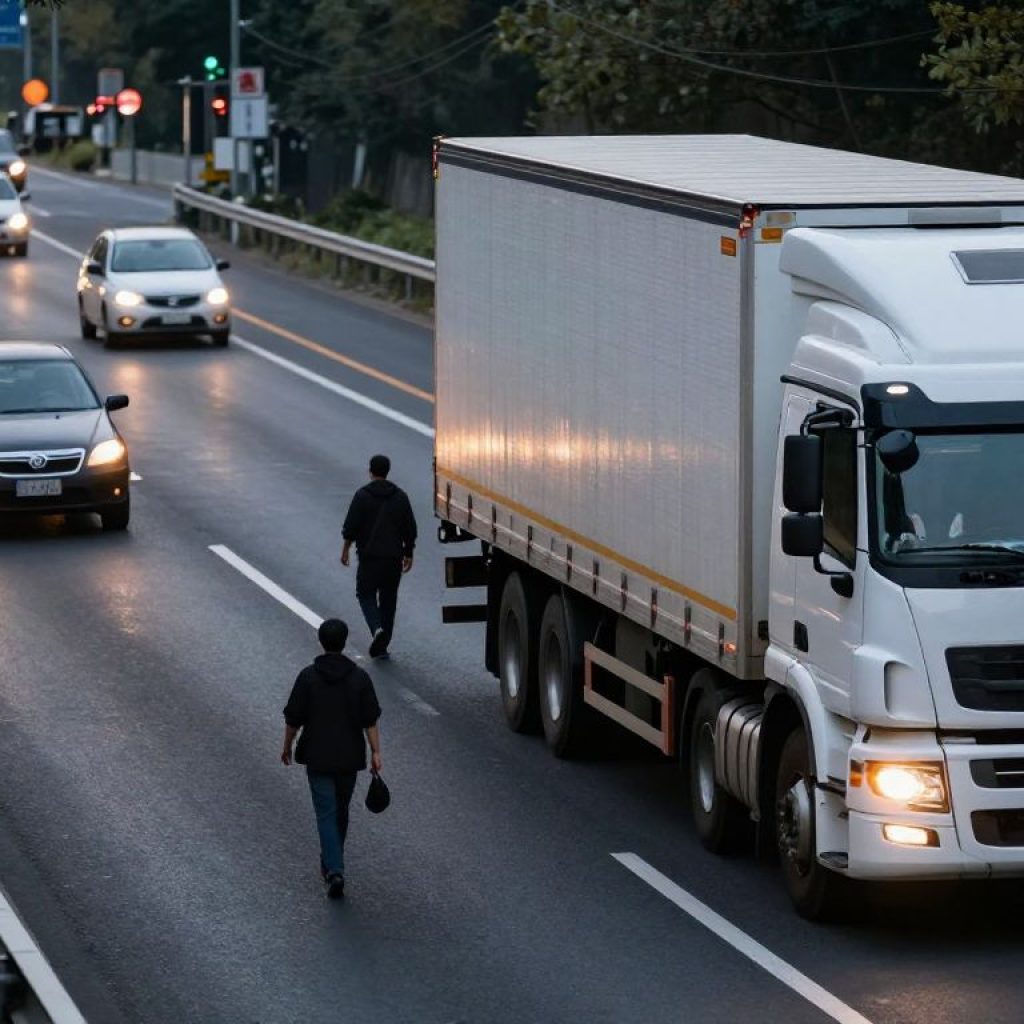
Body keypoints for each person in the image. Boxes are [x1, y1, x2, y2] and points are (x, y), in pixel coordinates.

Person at [281, 618, 382, 900]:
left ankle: (334, 869)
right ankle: (332, 862)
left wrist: (287, 745)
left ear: (321, 642)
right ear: (345, 640)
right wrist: (376, 752)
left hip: (318, 757)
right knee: (341, 810)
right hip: (350, 758)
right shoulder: (359, 678)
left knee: (325, 813)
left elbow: (293, 718)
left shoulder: (308, 677)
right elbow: (370, 719)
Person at [341, 454, 417, 658]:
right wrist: (408, 552)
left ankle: (376, 629)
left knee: (365, 594)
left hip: (369, 557)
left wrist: (346, 548)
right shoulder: (400, 496)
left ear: (370, 471)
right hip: (393, 558)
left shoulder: (362, 496)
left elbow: (351, 526)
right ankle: (383, 644)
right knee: (389, 599)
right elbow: (410, 527)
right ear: (387, 471)